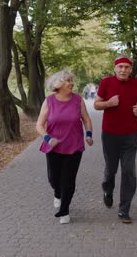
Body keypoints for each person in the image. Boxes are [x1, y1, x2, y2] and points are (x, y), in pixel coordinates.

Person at [36, 70, 94, 224]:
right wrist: (48, 138)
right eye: (68, 81)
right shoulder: (49, 101)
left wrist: (88, 134)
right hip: (53, 146)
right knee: (54, 179)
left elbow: (87, 120)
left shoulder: (77, 100)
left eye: (71, 80)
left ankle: (65, 210)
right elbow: (39, 125)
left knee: (68, 180)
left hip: (74, 146)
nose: (71, 83)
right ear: (58, 84)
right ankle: (57, 193)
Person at [94, 55, 137, 224]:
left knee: (129, 171)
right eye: (120, 67)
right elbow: (96, 104)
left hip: (130, 135)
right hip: (110, 134)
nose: (123, 70)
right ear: (115, 68)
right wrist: (108, 103)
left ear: (131, 69)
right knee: (111, 170)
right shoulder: (106, 83)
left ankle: (124, 210)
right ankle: (107, 190)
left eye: (126, 67)